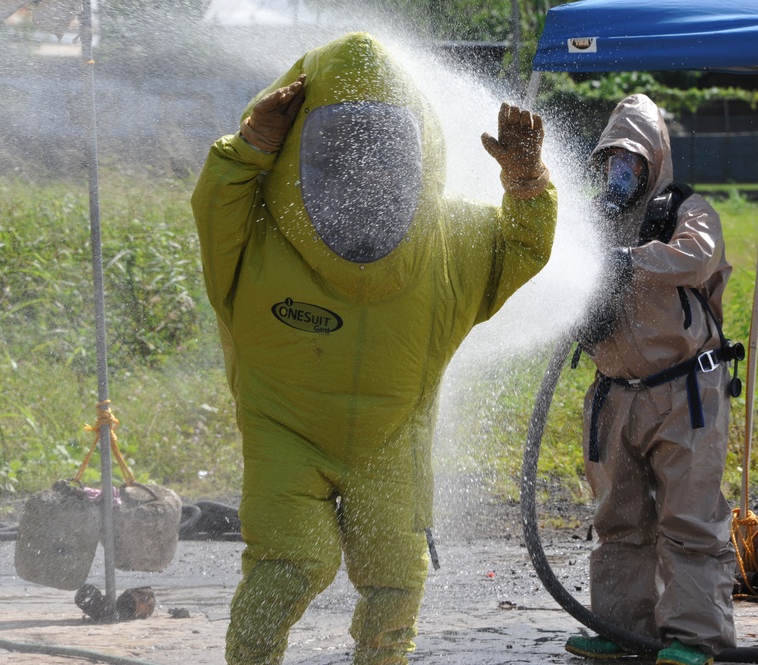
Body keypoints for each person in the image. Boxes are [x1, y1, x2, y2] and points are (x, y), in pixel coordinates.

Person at [190, 32, 557, 665]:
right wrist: (249, 147)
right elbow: (214, 202)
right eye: (342, 155)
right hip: (285, 432)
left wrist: (528, 184)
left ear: (419, 156)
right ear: (303, 153)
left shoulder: (449, 242)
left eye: (384, 153)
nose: (367, 172)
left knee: (397, 580)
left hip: (392, 437)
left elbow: (518, 249)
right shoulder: (255, 231)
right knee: (290, 565)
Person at [564, 94, 738, 665]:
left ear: (655, 159)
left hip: (684, 392)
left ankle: (695, 640)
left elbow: (696, 261)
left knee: (688, 520)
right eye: (611, 157)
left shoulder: (689, 210)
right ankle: (622, 630)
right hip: (615, 396)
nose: (621, 169)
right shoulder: (589, 217)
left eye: (632, 158)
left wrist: (629, 258)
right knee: (619, 520)